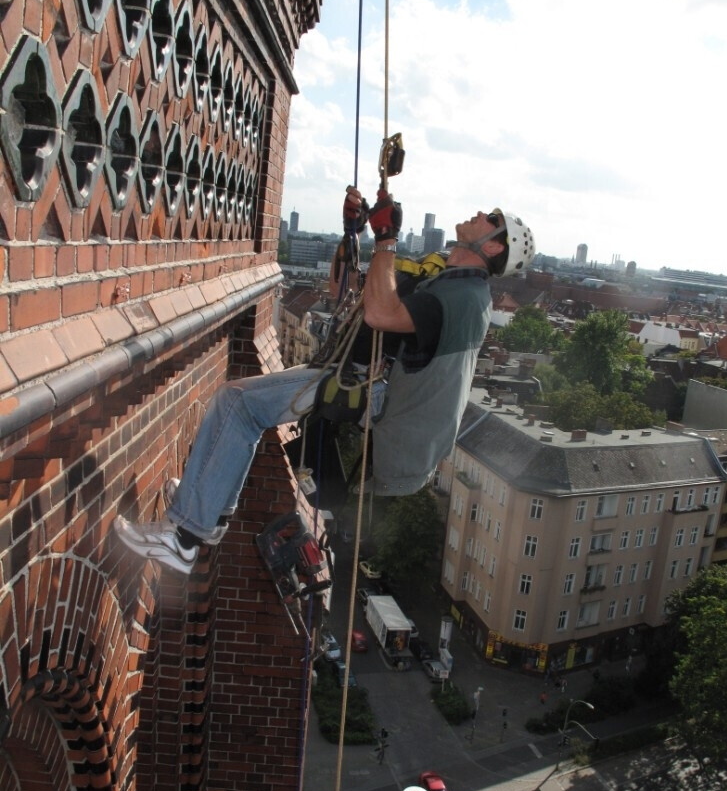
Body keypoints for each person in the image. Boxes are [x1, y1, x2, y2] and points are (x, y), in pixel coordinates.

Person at [113, 186, 535, 574]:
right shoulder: (444, 278)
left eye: (491, 219)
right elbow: (346, 289)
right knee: (245, 408)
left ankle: (185, 537)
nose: (480, 214)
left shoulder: (463, 297)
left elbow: (380, 314)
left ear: (493, 246)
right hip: (360, 378)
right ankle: (206, 507)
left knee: (239, 403)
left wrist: (386, 239)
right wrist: (355, 232)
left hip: (371, 391)